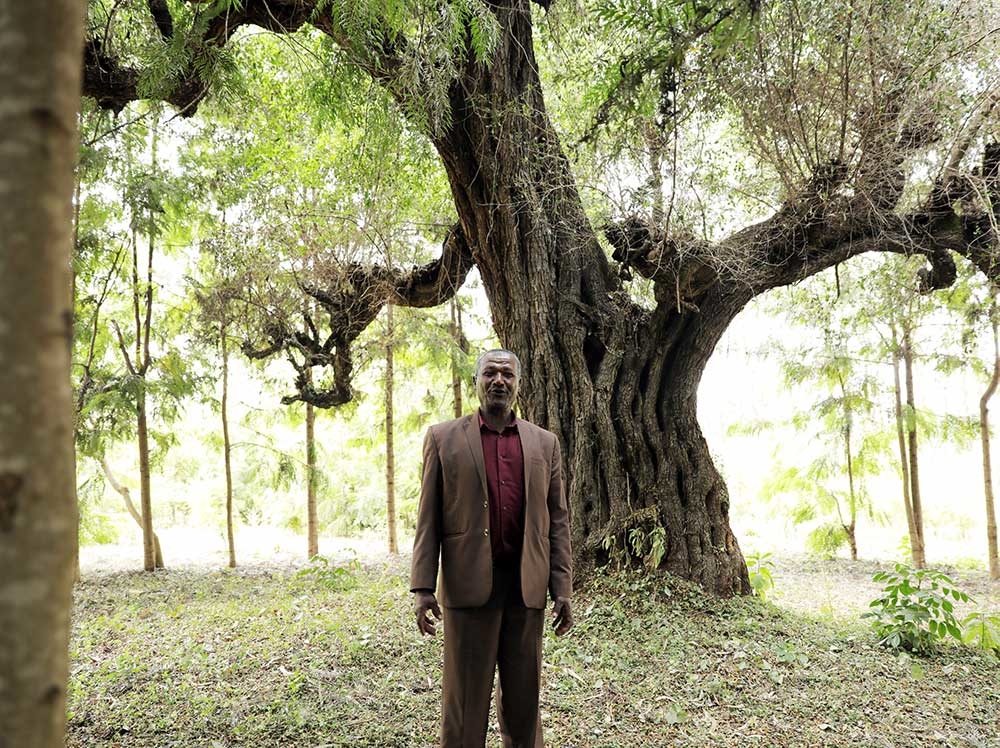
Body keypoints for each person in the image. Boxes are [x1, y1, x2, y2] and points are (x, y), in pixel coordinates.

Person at [410, 348, 573, 748]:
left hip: (526, 590)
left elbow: (558, 520)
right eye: (490, 373)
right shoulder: (443, 438)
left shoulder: (544, 444)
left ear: (518, 384)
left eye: (507, 374)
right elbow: (428, 519)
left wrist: (562, 589)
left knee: (524, 707)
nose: (499, 380)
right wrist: (422, 588)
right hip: (469, 591)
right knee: (464, 708)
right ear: (476, 381)